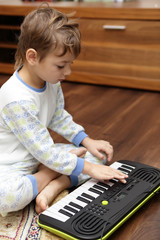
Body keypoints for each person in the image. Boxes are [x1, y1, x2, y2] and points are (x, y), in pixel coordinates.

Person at [0, 5, 128, 217]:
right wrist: (85, 168)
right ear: (32, 57)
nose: (67, 72)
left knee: (100, 157)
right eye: (61, 65)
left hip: (39, 155)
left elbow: (58, 116)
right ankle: (51, 173)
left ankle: (54, 186)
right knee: (7, 198)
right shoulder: (16, 99)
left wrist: (88, 142)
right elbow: (44, 150)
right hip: (12, 165)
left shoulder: (49, 80)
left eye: (70, 64)